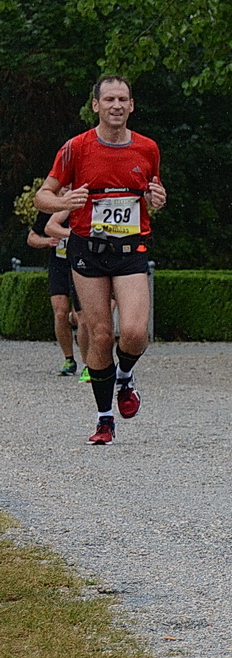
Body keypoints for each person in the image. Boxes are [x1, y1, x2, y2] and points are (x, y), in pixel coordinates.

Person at [36, 76, 168, 445]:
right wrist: (65, 202)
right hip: (87, 251)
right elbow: (42, 198)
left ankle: (125, 376)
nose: (116, 105)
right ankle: (104, 418)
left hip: (129, 251)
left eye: (122, 99)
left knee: (136, 332)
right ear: (95, 105)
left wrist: (158, 198)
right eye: (108, 99)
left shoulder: (148, 148)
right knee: (99, 334)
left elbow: (154, 192)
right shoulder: (76, 148)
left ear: (131, 105)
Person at [26, 206, 79, 376]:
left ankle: (90, 357)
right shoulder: (52, 208)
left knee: (80, 317)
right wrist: (47, 241)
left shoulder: (85, 204)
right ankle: (69, 358)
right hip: (59, 264)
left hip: (81, 264)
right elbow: (32, 238)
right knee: (60, 312)